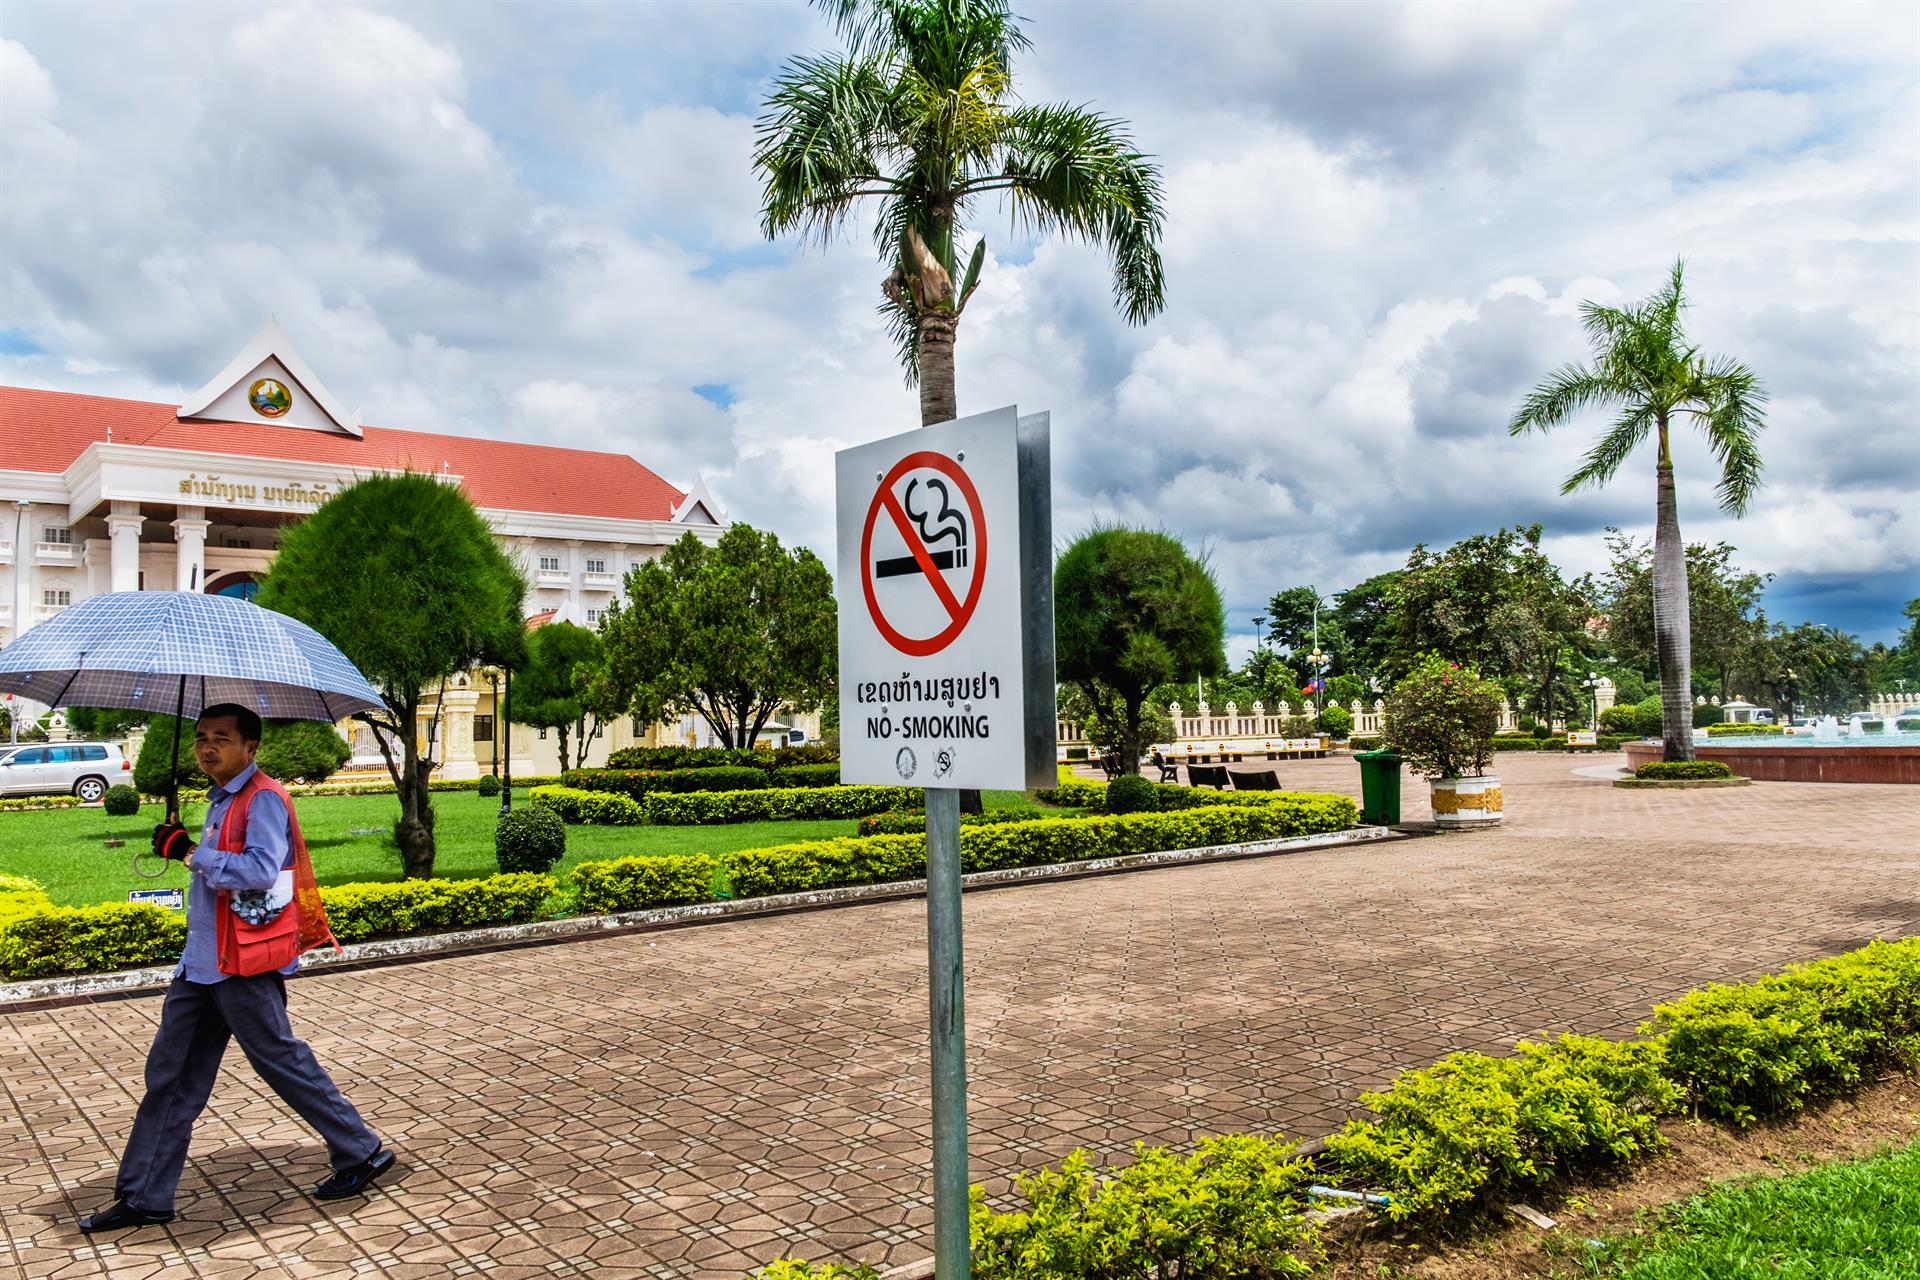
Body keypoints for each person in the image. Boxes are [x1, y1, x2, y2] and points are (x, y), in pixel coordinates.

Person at [79, 704, 394, 1232]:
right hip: (201, 963)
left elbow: (260, 870)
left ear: (250, 747)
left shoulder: (262, 797)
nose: (207, 747)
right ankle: (145, 1195)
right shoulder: (220, 799)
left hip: (244, 963)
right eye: (202, 737)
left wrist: (190, 853)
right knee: (171, 1077)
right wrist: (184, 845)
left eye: (221, 738)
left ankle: (360, 1149)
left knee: (281, 1061)